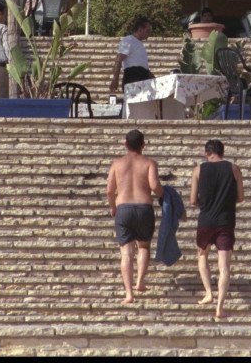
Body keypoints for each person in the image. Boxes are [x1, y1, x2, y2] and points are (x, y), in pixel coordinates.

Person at [106, 129, 163, 304]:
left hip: (123, 208)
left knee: (126, 253)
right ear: (143, 145)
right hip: (144, 207)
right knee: (143, 247)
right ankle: (140, 282)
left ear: (125, 144)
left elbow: (109, 190)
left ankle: (129, 294)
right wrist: (164, 195)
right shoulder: (149, 163)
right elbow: (154, 185)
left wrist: (113, 207)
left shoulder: (117, 163)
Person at [189, 139, 244, 319]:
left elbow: (192, 200)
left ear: (207, 153)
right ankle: (220, 306)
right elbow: (241, 197)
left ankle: (208, 293)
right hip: (225, 221)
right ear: (223, 152)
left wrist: (205, 204)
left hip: (205, 220)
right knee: (224, 266)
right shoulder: (234, 169)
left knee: (202, 256)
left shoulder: (198, 170)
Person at [110, 16, 154, 94]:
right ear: (140, 29)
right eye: (147, 31)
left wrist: (154, 79)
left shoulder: (140, 45)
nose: (149, 33)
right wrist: (115, 79)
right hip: (133, 78)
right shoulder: (128, 40)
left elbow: (143, 66)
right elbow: (119, 60)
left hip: (143, 79)